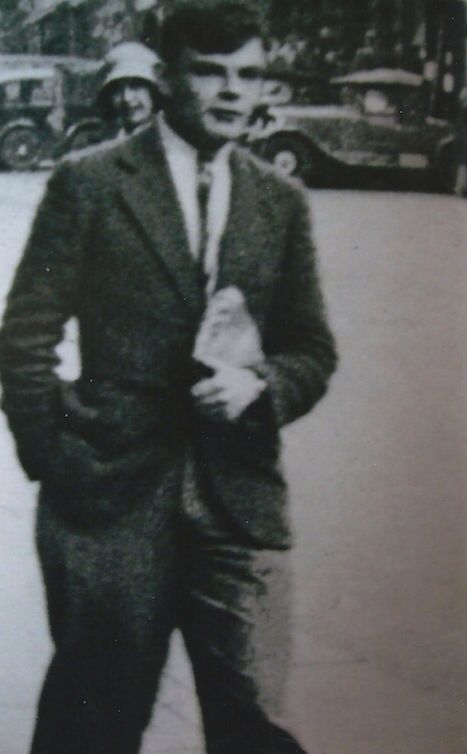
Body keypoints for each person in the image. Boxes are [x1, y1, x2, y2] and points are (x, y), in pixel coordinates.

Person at [0, 4, 337, 753]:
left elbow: (311, 347)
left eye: (248, 75)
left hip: (237, 503)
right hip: (111, 505)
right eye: (209, 72)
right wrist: (59, 459)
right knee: (93, 720)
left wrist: (264, 387)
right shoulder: (88, 183)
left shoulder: (279, 202)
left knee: (253, 722)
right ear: (166, 76)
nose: (231, 92)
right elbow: (24, 338)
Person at [96, 41, 163, 137]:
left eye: (135, 85)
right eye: (117, 89)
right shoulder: (104, 142)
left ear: (153, 91)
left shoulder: (172, 142)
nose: (127, 98)